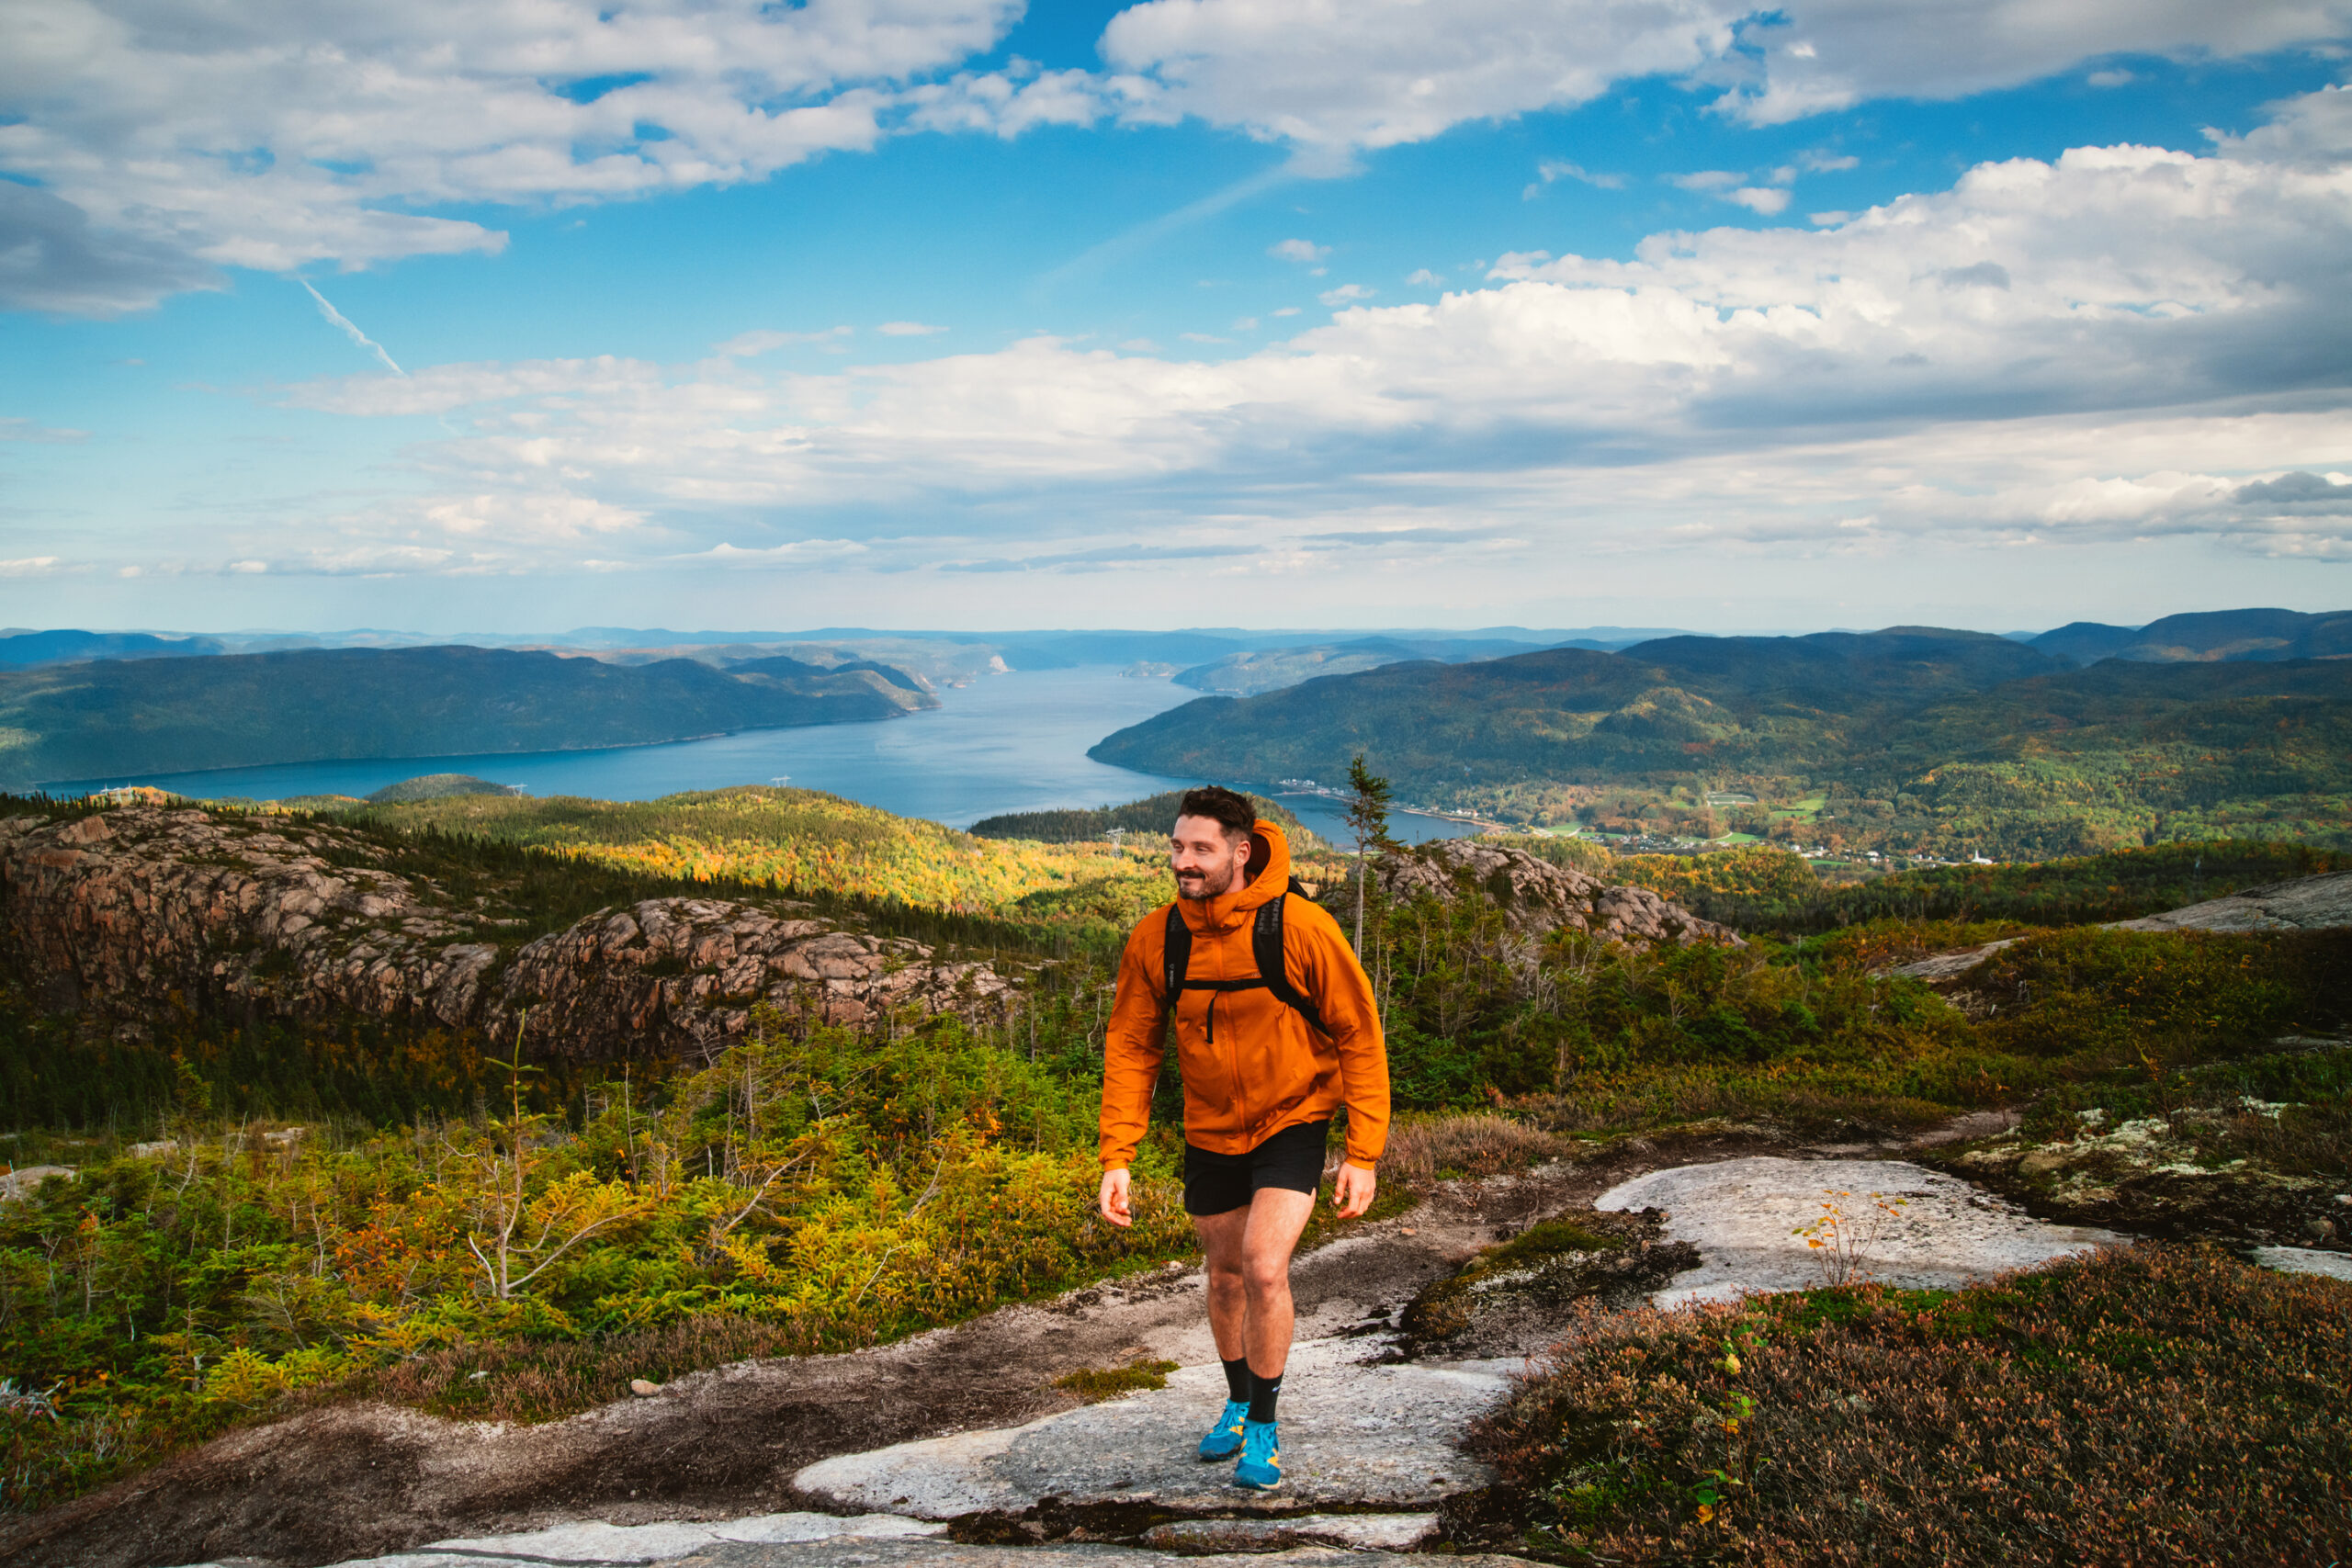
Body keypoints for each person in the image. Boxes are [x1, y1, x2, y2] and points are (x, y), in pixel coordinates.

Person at [1096, 785, 1389, 1492]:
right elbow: (1134, 1046)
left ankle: (1264, 1423)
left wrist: (1364, 1151)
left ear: (1240, 849)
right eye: (1177, 846)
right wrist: (1117, 1155)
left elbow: (1359, 1031)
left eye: (1200, 848)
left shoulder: (1300, 927)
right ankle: (1234, 1399)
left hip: (1292, 1117)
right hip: (1210, 1127)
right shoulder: (1158, 937)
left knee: (1262, 1266)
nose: (1184, 861)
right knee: (1224, 1274)